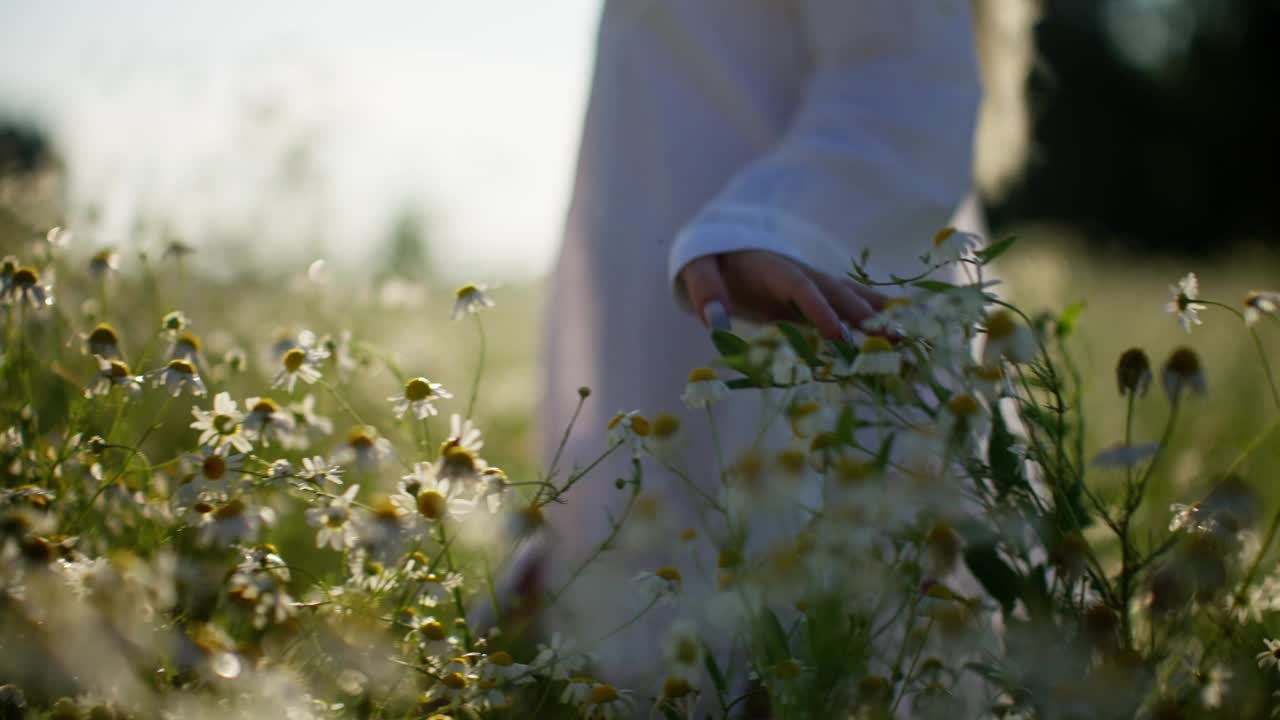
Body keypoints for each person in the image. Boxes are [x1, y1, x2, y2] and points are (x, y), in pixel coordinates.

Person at [532, 0, 1036, 701]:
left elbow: (904, 79)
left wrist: (773, 226)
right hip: (673, 351)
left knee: (829, 659)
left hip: (806, 331)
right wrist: (567, 538)